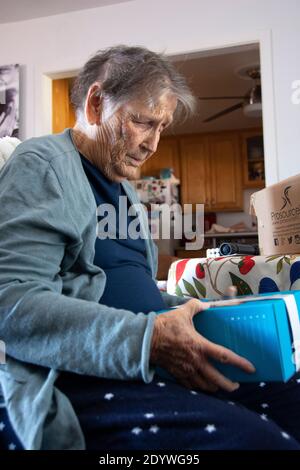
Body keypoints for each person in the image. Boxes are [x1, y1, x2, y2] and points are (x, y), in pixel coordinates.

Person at [0, 46, 300, 451]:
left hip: (155, 364)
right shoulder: (42, 165)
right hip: (85, 375)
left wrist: (193, 309)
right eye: (142, 122)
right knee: (258, 443)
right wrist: (149, 339)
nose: (153, 143)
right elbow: (12, 304)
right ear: (95, 103)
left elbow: (124, 286)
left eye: (162, 127)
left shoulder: (124, 188)